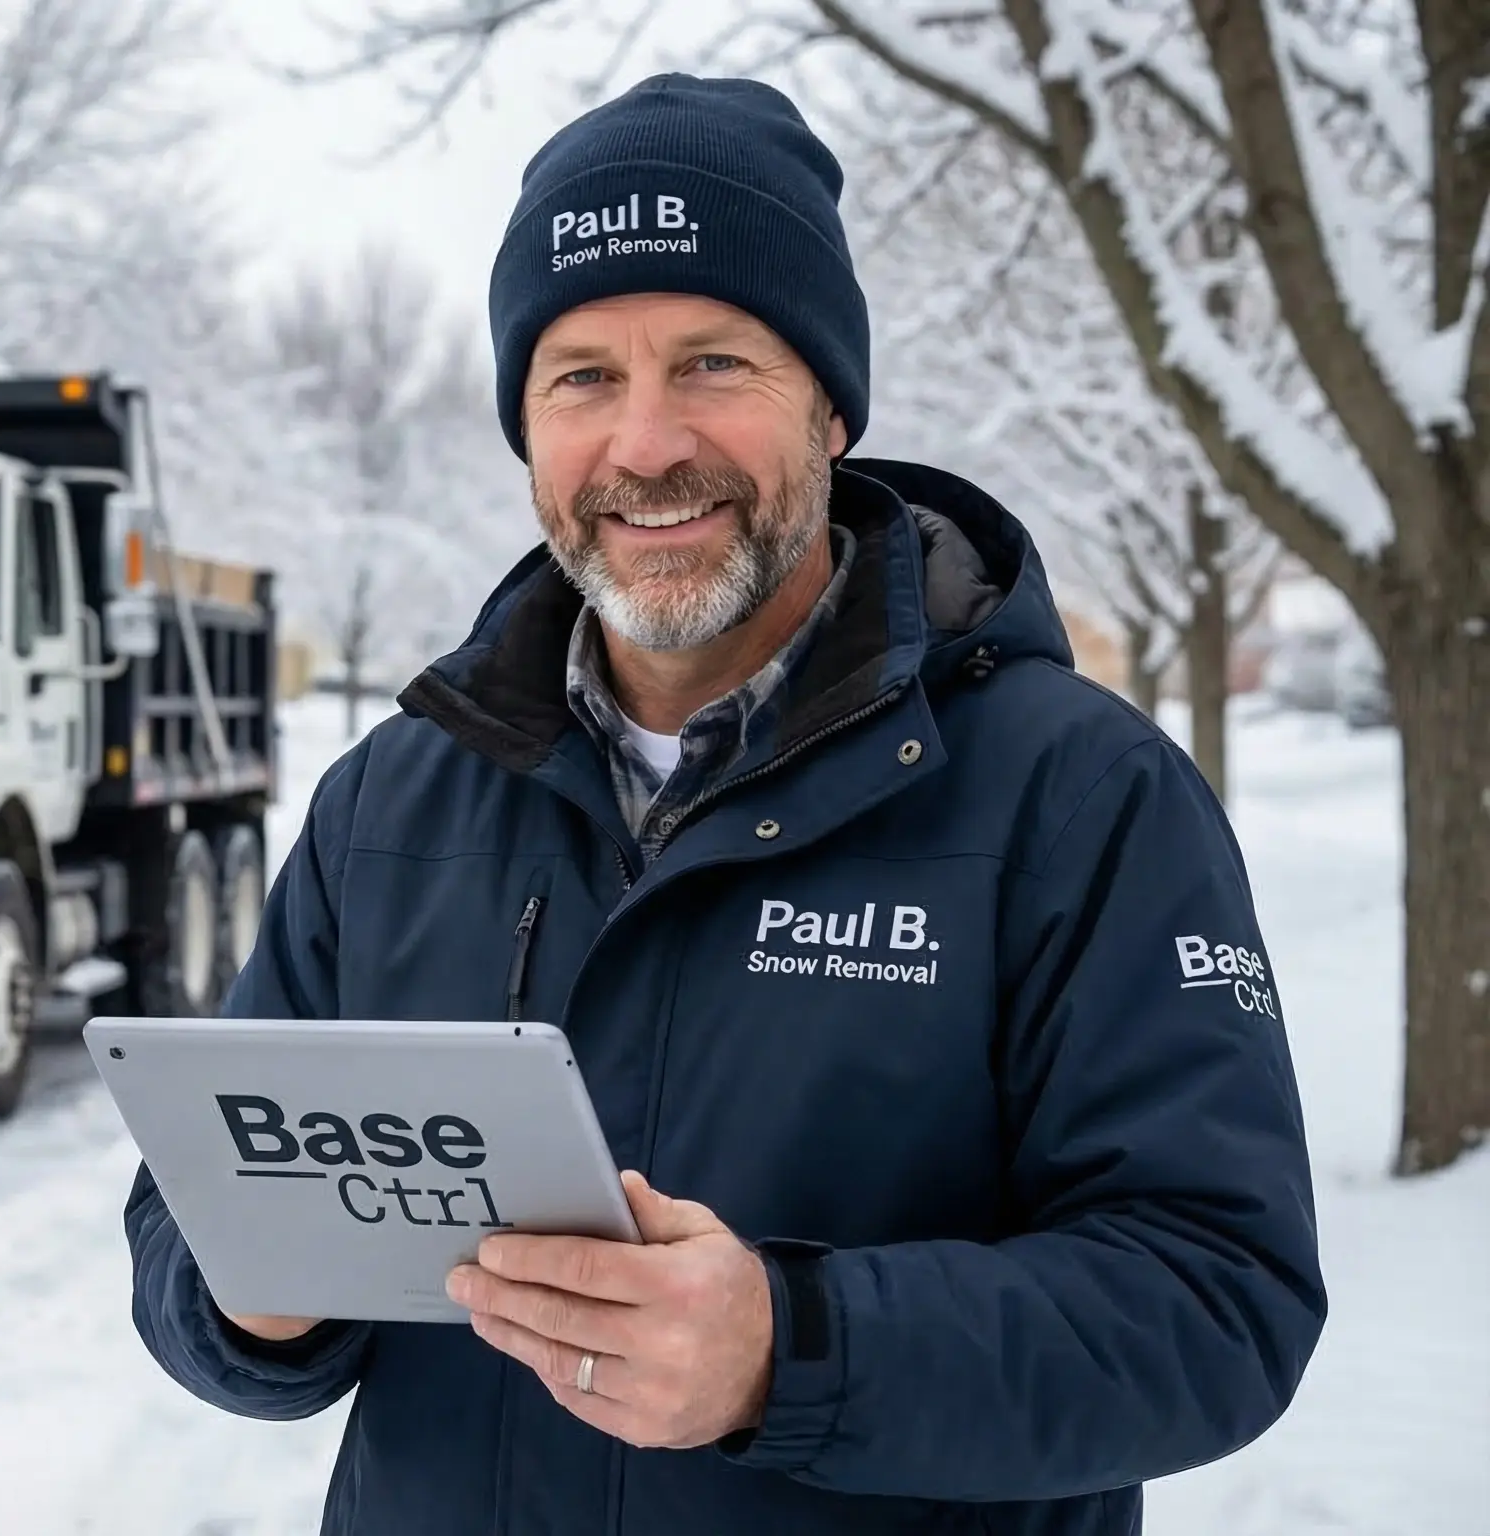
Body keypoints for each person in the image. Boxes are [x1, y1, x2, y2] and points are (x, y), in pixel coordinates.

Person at [124, 73, 1323, 1534]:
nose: (644, 445)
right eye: (582, 377)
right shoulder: (392, 800)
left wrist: (794, 1347)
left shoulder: (1077, 797)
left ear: (827, 408)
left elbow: (1216, 1301)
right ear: (525, 430)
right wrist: (246, 1301)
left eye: (713, 364)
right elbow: (200, 1208)